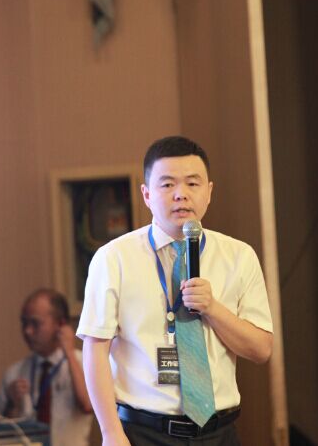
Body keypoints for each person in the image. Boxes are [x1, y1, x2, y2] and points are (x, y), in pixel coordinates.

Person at [77, 136, 274, 445]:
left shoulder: (239, 256)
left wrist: (213, 309)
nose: (181, 194)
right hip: (144, 432)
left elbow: (261, 350)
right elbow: (95, 349)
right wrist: (110, 432)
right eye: (167, 185)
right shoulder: (114, 258)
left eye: (192, 184)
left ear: (209, 191)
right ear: (146, 194)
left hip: (219, 433)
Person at [0, 288, 93, 446]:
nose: (27, 331)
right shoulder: (15, 373)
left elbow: (87, 406)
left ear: (60, 324)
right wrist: (12, 404)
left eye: (35, 323)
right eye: (24, 323)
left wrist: (69, 353)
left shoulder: (83, 362)